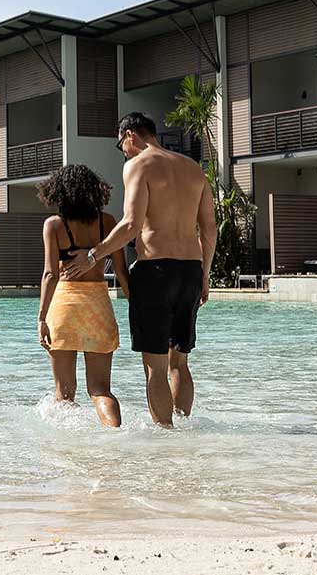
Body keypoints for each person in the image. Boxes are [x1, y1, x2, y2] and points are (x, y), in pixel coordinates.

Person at [62, 112, 216, 427]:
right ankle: (183, 431)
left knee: (155, 368)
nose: (124, 152)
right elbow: (209, 228)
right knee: (180, 363)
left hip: (156, 271)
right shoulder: (193, 169)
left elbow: (131, 224)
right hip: (190, 270)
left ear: (130, 134)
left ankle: (164, 437)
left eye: (122, 146)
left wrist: (93, 255)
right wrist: (205, 274)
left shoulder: (137, 165)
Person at [36, 163, 129, 427]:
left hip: (64, 308)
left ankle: (70, 452)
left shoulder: (54, 225)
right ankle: (114, 436)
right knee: (100, 390)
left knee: (64, 393)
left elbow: (50, 275)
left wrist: (41, 318)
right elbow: (121, 271)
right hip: (98, 307)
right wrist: (135, 304)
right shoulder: (107, 221)